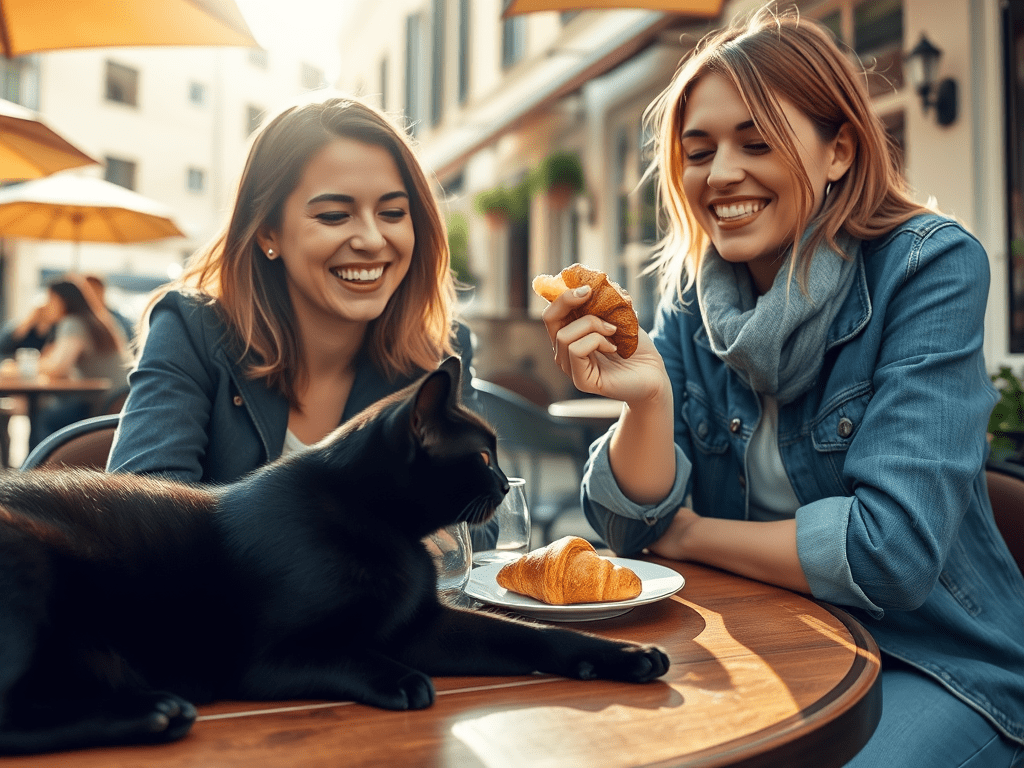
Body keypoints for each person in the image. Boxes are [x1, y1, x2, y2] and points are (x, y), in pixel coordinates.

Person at [541, 8, 1024, 767]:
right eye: (698, 151)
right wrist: (647, 402)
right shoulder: (692, 300)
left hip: (934, 663)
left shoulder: (926, 268)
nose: (721, 173)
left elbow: (889, 552)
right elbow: (630, 532)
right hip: (762, 642)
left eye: (756, 141)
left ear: (839, 151)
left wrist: (693, 534)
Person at [107, 93, 493, 545]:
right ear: (269, 233)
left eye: (392, 213)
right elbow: (136, 518)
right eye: (334, 215)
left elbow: (477, 533)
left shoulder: (440, 352)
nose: (372, 239)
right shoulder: (191, 330)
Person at [31, 276, 130, 448]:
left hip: (101, 404)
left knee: (45, 416)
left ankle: (38, 469)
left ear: (63, 300)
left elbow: (58, 368)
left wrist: (23, 367)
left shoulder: (73, 322)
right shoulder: (97, 320)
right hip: (120, 400)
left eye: (50, 299)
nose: (46, 306)